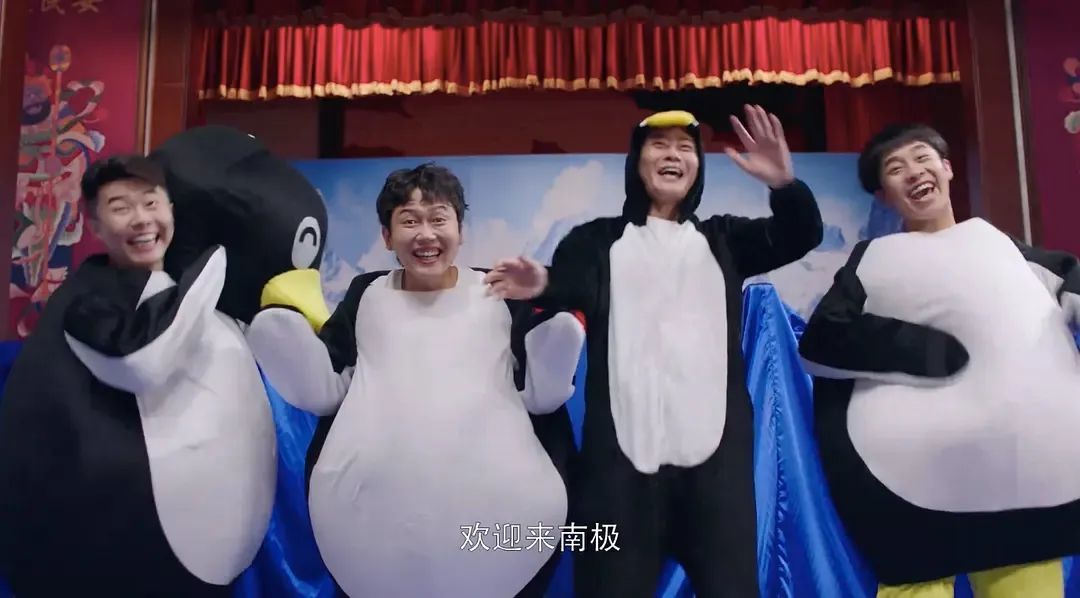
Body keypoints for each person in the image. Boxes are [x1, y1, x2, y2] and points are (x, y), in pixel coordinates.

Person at [483, 105, 824, 597]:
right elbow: (571, 286)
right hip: (618, 478)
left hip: (716, 475)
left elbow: (800, 235)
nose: (673, 155)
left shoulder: (726, 240)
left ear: (698, 166)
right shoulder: (594, 241)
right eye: (659, 145)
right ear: (636, 161)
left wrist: (784, 185)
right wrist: (542, 283)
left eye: (685, 148)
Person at [245, 162, 586, 598]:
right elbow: (336, 375)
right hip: (373, 524)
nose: (426, 234)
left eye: (439, 219)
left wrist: (549, 370)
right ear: (387, 236)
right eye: (409, 221)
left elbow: (531, 393)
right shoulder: (367, 293)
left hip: (496, 513)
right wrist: (305, 371)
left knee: (542, 392)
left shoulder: (496, 292)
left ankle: (554, 363)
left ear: (460, 231)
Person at [798, 123, 1080, 598]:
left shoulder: (1004, 247)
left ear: (947, 168)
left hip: (1023, 487)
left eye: (922, 157)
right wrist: (925, 350)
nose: (913, 172)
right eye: (895, 168)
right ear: (883, 195)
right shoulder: (873, 259)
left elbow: (1070, 282)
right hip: (913, 490)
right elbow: (822, 340)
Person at [0, 154, 277, 597]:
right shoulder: (88, 298)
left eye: (151, 202)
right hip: (127, 539)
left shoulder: (188, 295)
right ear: (95, 224)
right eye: (120, 207)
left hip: (207, 537)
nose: (141, 219)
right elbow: (141, 359)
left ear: (171, 210)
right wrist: (214, 262)